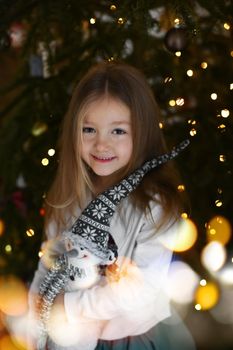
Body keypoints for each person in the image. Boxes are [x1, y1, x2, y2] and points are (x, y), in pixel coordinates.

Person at [28, 61, 195, 350]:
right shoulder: (70, 195)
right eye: (89, 129)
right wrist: (34, 318)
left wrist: (67, 306)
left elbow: (141, 290)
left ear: (141, 133)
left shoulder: (155, 206)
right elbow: (49, 264)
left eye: (118, 131)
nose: (101, 145)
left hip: (132, 340)